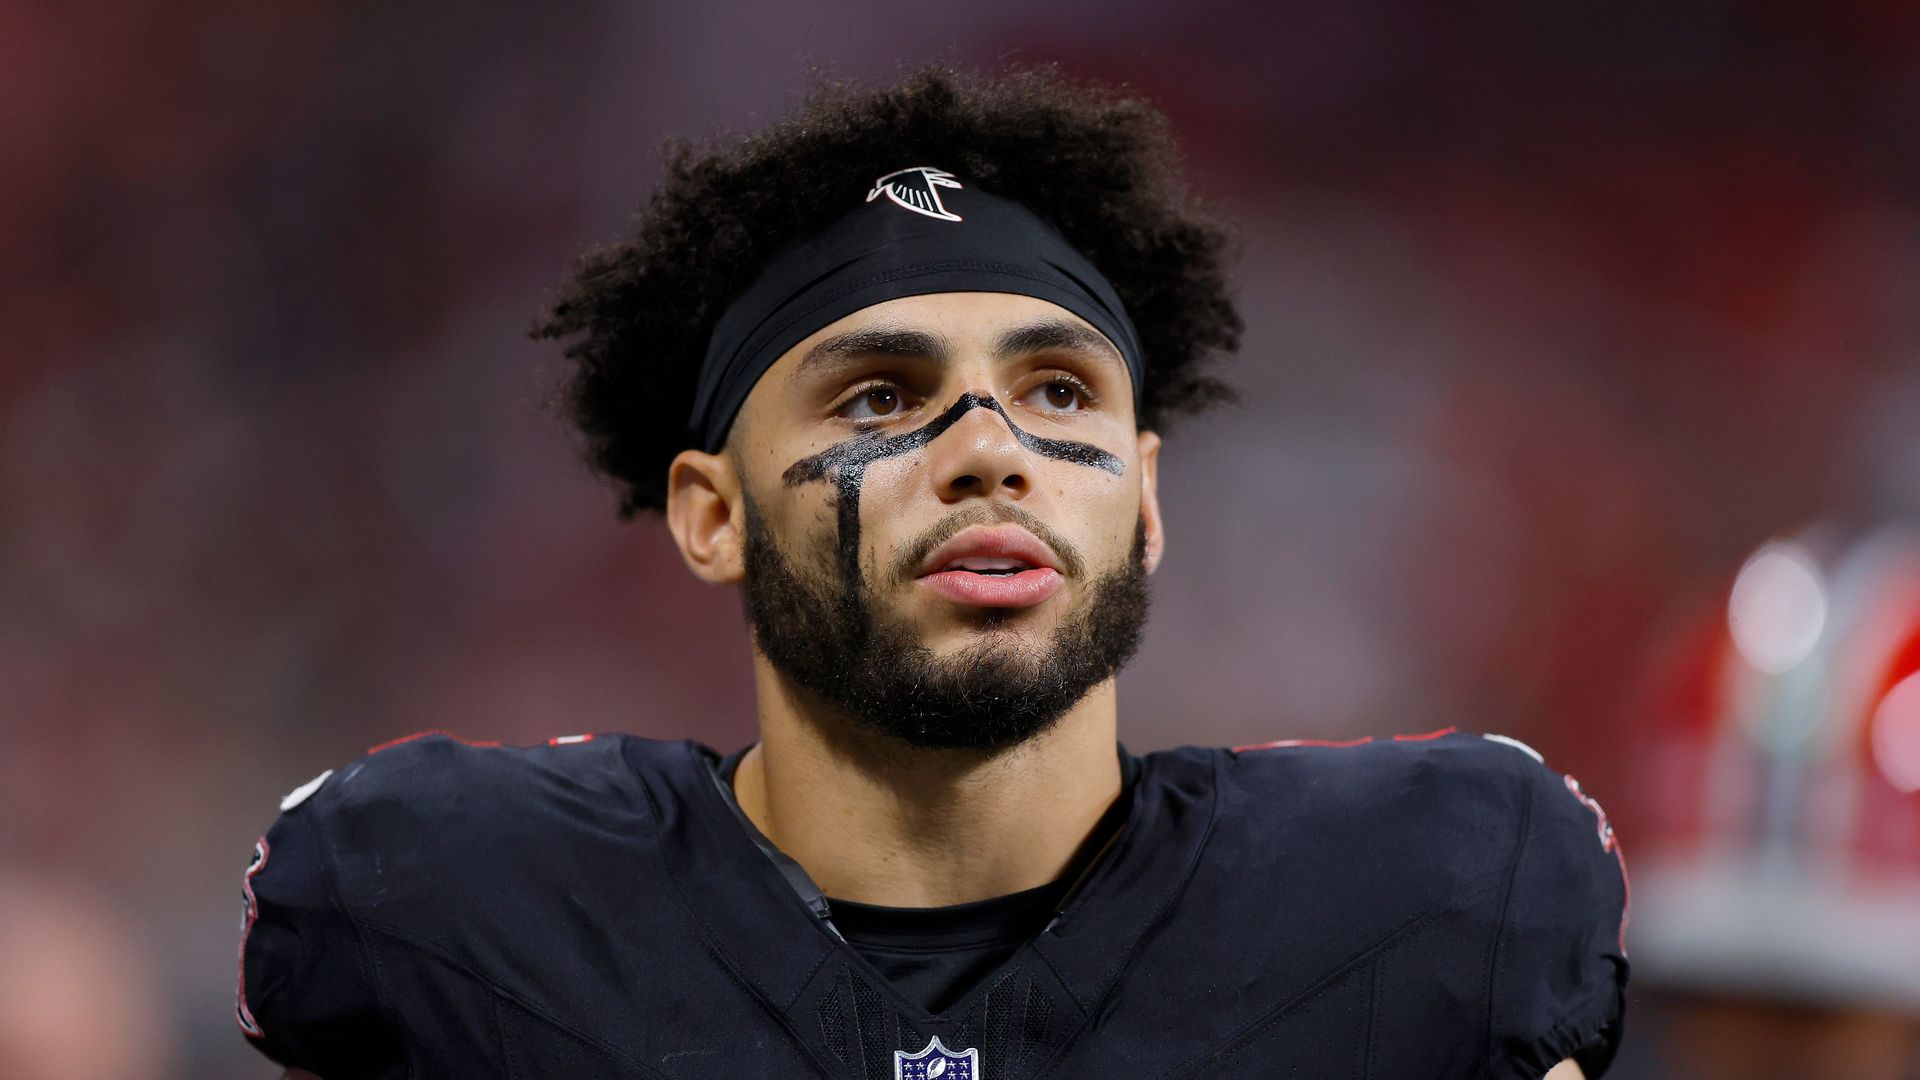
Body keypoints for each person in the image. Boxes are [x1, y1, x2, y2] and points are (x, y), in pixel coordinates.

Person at [235, 62, 1628, 1079]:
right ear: (711, 515)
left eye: (1060, 392)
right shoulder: (454, 913)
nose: (990, 451)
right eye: (879, 400)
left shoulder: (1427, 905)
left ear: (1144, 499)